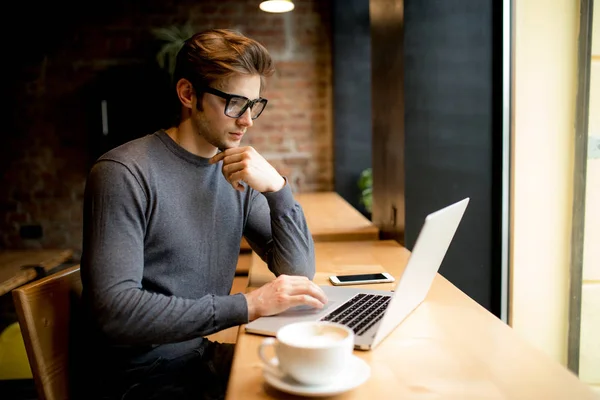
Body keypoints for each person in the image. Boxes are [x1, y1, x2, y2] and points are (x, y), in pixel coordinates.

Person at [78, 28, 328, 400]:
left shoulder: (234, 172)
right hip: (142, 381)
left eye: (255, 105)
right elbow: (116, 312)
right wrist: (249, 304)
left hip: (197, 358)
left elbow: (298, 271)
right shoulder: (123, 172)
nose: (247, 120)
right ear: (188, 94)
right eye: (234, 103)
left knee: (316, 378)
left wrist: (277, 189)